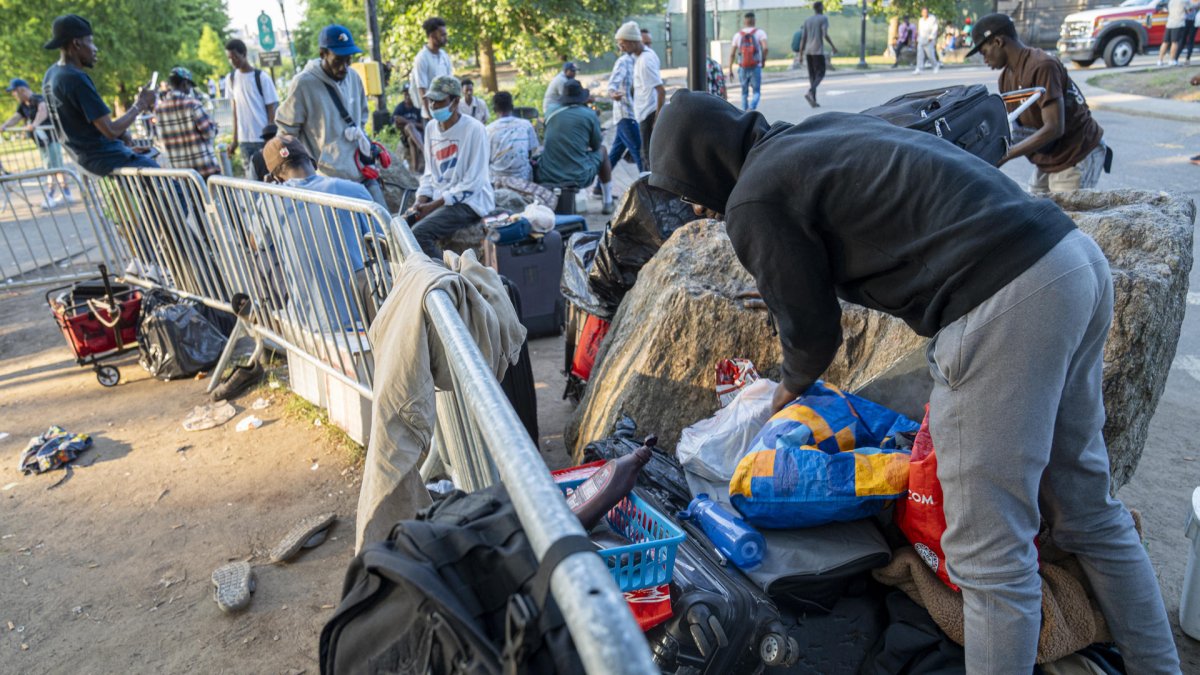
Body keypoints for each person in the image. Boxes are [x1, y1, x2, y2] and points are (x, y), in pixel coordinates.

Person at [647, 88, 1181, 675]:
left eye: (690, 194)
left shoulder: (753, 196)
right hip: (1073, 261)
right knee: (1089, 513)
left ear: (701, 164)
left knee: (989, 558)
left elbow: (813, 337)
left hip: (1002, 302)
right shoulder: (808, 135)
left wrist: (779, 396)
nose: (699, 209)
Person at [971, 13, 1107, 193]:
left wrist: (1006, 155)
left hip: (1076, 152)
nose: (985, 60)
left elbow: (1054, 127)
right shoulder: (1005, 78)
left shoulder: (1042, 65)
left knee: (1066, 217)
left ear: (998, 42)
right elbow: (1016, 126)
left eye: (984, 52)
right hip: (1048, 156)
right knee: (1036, 214)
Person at [261, 133, 380, 326]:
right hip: (365, 314)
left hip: (310, 321)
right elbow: (382, 242)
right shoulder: (353, 190)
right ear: (312, 162)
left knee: (265, 252)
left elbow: (255, 242)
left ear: (275, 177)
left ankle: (270, 317)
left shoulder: (267, 201)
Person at [276, 24, 388, 208]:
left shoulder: (353, 77)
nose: (344, 67)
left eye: (348, 60)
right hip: (328, 182)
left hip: (360, 172)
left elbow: (362, 116)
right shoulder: (303, 84)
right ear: (323, 54)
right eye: (338, 61)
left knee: (385, 224)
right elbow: (286, 134)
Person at [41, 14, 159, 177]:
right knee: (167, 182)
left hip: (85, 159)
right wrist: (141, 104)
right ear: (76, 43)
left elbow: (85, 126)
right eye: (90, 41)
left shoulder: (51, 74)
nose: (95, 48)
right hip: (103, 159)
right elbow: (110, 130)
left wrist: (123, 143)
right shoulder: (75, 78)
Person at [409, 76, 493, 260]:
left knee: (418, 235)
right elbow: (430, 174)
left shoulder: (475, 130)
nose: (433, 106)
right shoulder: (431, 127)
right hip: (442, 198)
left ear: (455, 102)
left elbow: (473, 183)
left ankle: (450, 281)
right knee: (400, 227)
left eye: (439, 102)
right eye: (431, 100)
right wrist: (420, 200)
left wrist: (433, 205)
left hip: (470, 201)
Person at [536, 80, 613, 213]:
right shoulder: (590, 114)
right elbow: (595, 146)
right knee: (603, 151)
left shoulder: (550, 111)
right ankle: (608, 202)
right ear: (582, 97)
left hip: (547, 173)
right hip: (577, 176)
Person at [1, 77, 73, 208]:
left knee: (52, 168)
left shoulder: (37, 99)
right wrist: (4, 126)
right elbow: (16, 117)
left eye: (14, 91)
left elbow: (43, 110)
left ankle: (50, 195)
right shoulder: (23, 105)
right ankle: (67, 193)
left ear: (22, 90)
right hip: (42, 141)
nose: (13, 95)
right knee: (55, 167)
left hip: (51, 139)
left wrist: (34, 124)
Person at [224, 38, 279, 179]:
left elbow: (271, 110)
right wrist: (235, 140)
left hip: (262, 138)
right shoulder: (231, 79)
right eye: (230, 58)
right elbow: (234, 111)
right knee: (251, 181)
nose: (233, 61)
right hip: (244, 140)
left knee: (269, 177)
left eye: (235, 56)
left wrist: (271, 138)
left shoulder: (261, 77)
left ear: (244, 54)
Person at [153, 67, 220, 179]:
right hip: (204, 170)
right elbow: (209, 133)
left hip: (181, 174)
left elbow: (162, 140)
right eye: (189, 85)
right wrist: (214, 127)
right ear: (184, 83)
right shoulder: (193, 104)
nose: (190, 89)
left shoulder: (159, 110)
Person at [616, 21, 663, 170]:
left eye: (623, 44)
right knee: (644, 156)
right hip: (642, 114)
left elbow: (661, 90)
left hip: (648, 115)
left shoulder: (645, 60)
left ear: (632, 42)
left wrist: (657, 118)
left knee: (647, 159)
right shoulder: (642, 56)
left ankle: (652, 192)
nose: (621, 48)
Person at [487, 91, 539, 182]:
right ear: (512, 107)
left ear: (494, 109)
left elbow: (485, 159)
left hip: (496, 180)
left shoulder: (488, 130)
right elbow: (530, 153)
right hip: (523, 179)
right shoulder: (526, 125)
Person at [606, 43, 642, 172]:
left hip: (634, 113)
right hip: (625, 114)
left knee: (615, 153)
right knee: (639, 152)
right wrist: (612, 93)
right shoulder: (623, 61)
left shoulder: (641, 60)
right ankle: (648, 189)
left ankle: (599, 188)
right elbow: (612, 84)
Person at [412, 17, 452, 120]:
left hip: (446, 112)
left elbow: (450, 84)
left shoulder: (444, 56)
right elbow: (422, 90)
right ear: (432, 36)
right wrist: (430, 117)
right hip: (431, 114)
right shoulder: (422, 58)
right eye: (442, 35)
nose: (445, 37)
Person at [798, 2, 837, 108]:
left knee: (812, 76)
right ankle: (810, 92)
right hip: (817, 51)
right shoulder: (823, 18)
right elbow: (825, 34)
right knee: (821, 73)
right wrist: (833, 46)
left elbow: (803, 38)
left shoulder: (807, 20)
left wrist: (801, 54)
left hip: (808, 51)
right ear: (820, 7)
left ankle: (813, 100)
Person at [729, 12, 768, 111]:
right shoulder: (760, 33)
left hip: (742, 66)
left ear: (744, 21)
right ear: (754, 20)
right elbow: (765, 48)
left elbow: (732, 54)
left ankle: (744, 112)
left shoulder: (738, 35)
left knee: (744, 92)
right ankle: (751, 108)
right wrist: (763, 60)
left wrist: (730, 69)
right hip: (756, 66)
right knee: (756, 91)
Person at [392, 83, 425, 173]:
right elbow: (396, 123)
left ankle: (415, 170)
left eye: (409, 94)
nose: (407, 96)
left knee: (411, 138)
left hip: (419, 136)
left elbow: (423, 126)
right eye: (405, 94)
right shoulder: (400, 107)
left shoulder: (417, 107)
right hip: (404, 137)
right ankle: (424, 150)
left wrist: (405, 121)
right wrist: (410, 124)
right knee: (409, 127)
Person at [1158, 0, 1187, 66]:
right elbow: (1189, 9)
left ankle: (1160, 60)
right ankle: (1171, 60)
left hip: (1169, 23)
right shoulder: (1184, 1)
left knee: (1165, 42)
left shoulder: (1170, 1)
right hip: (1178, 23)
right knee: (1174, 42)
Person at [915, 7, 941, 74]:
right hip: (921, 39)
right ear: (921, 13)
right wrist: (917, 38)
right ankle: (919, 68)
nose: (925, 13)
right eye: (923, 12)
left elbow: (935, 28)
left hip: (929, 39)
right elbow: (920, 30)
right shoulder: (920, 20)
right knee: (919, 55)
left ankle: (935, 66)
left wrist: (931, 37)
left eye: (926, 12)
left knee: (930, 55)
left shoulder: (932, 18)